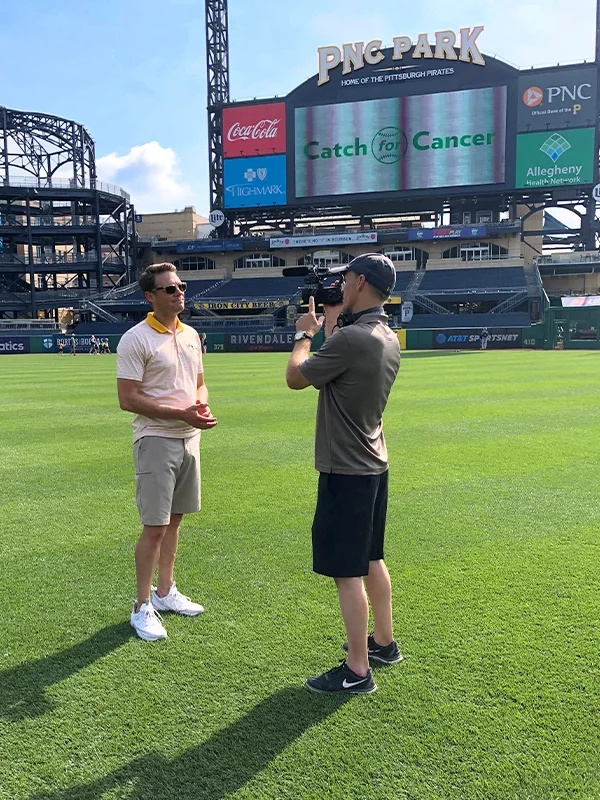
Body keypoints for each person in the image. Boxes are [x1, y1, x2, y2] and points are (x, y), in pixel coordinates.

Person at [286, 253, 402, 695]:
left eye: (347, 278)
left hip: (346, 469)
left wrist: (304, 334)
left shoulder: (352, 339)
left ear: (359, 282)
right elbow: (343, 358)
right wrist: (334, 322)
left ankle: (357, 670)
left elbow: (297, 377)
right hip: (373, 463)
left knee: (346, 572)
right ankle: (383, 643)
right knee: (372, 557)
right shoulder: (383, 336)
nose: (342, 284)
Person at [116, 263, 218, 641]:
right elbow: (127, 399)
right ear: (150, 297)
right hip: (156, 438)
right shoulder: (135, 339)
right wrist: (181, 412)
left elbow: (200, 384)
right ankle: (141, 606)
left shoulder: (192, 334)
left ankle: (164, 592)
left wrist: (201, 407)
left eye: (181, 286)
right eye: (170, 289)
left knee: (175, 521)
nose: (179, 293)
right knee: (155, 527)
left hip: (190, 437)